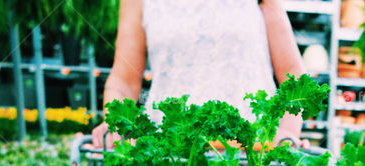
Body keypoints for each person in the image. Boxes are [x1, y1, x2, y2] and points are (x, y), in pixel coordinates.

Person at [91, 0, 307, 149]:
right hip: (172, 164)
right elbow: (124, 81)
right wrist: (116, 121)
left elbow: (294, 74)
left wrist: (287, 134)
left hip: (251, 164)